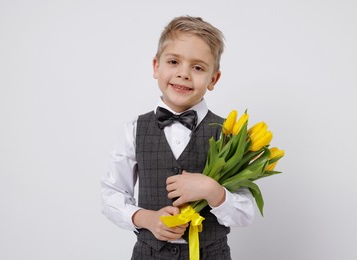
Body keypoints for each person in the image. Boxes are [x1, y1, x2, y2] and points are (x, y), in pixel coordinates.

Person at [101, 16, 256, 260]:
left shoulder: (230, 134)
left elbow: (246, 213)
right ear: (156, 66)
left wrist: (212, 190)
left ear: (213, 79)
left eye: (198, 67)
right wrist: (146, 218)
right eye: (174, 61)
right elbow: (112, 194)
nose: (183, 74)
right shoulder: (134, 128)